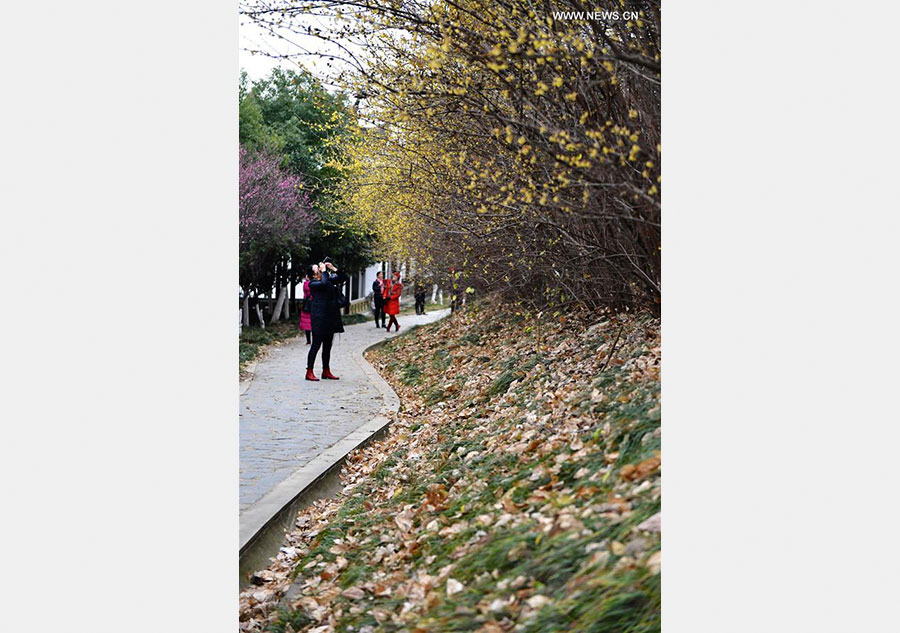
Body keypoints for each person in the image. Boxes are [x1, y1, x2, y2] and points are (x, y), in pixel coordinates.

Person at [306, 261, 347, 381]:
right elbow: (323, 283)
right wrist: (324, 271)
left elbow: (343, 278)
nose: (319, 268)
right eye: (317, 268)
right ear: (313, 274)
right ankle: (309, 371)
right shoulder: (313, 283)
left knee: (328, 346)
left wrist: (333, 268)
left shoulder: (327, 279)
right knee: (316, 345)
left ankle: (326, 371)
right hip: (319, 318)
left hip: (330, 317)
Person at [299, 268, 313, 344]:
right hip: (313, 303)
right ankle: (315, 339)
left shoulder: (305, 284)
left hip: (306, 304)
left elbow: (305, 294)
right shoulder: (314, 283)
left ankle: (308, 340)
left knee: (306, 323)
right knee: (313, 323)